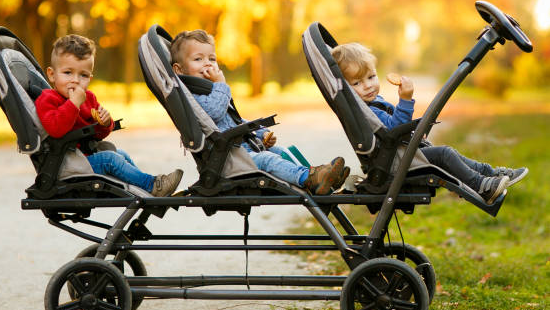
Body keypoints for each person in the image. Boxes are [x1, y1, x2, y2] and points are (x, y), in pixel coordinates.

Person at [330, 42, 528, 204]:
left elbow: (391, 130)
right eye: (357, 83)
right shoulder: (367, 111)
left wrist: (410, 135)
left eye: (371, 77)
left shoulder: (371, 103)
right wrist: (406, 100)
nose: (368, 85)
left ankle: (490, 174)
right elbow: (393, 129)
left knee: (447, 154)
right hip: (393, 163)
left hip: (395, 155)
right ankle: (482, 186)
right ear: (346, 88)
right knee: (444, 154)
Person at [170, 29, 348, 194]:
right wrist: (221, 85)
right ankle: (310, 178)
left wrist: (260, 133)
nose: (207, 64)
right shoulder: (193, 96)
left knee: (280, 151)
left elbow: (233, 120)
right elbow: (215, 112)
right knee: (267, 160)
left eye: (212, 59)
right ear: (179, 69)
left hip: (240, 152)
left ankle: (319, 177)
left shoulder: (208, 91)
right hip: (226, 161)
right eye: (198, 59)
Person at [35, 34, 183, 197]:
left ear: (90, 78)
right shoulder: (47, 99)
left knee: (121, 155)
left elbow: (98, 134)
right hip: (67, 165)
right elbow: (56, 129)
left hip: (86, 157)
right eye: (68, 73)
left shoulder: (88, 98)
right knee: (110, 160)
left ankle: (144, 191)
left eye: (83, 75)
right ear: (51, 74)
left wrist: (105, 123)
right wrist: (73, 104)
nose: (75, 80)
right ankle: (152, 185)